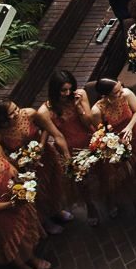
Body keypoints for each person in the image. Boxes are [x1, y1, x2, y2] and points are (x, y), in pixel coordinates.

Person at [0, 99, 70, 233]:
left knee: (53, 185)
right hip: (26, 167)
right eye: (11, 113)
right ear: (3, 119)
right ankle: (45, 221)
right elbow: (3, 154)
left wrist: (41, 145)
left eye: (16, 109)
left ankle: (56, 211)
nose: (17, 113)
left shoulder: (30, 114)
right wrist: (20, 161)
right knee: (37, 194)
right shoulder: (0, 134)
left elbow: (44, 129)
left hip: (45, 156)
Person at [39, 71, 99, 225]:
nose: (67, 93)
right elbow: (57, 136)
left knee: (102, 171)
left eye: (69, 89)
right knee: (82, 181)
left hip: (89, 138)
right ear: (54, 90)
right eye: (63, 90)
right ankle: (91, 207)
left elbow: (89, 123)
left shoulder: (80, 95)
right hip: (70, 146)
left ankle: (110, 199)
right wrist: (67, 157)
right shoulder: (45, 111)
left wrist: (79, 108)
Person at [91, 78, 136, 217]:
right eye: (116, 92)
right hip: (118, 147)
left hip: (135, 137)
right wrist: (115, 141)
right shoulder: (97, 111)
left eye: (121, 88)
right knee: (127, 176)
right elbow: (100, 133)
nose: (121, 93)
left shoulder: (126, 94)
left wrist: (129, 127)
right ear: (105, 95)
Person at [0, 142, 48, 269]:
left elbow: (9, 165)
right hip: (2, 212)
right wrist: (10, 204)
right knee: (11, 242)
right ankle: (22, 268)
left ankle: (31, 258)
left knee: (24, 234)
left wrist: (22, 182)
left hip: (17, 200)